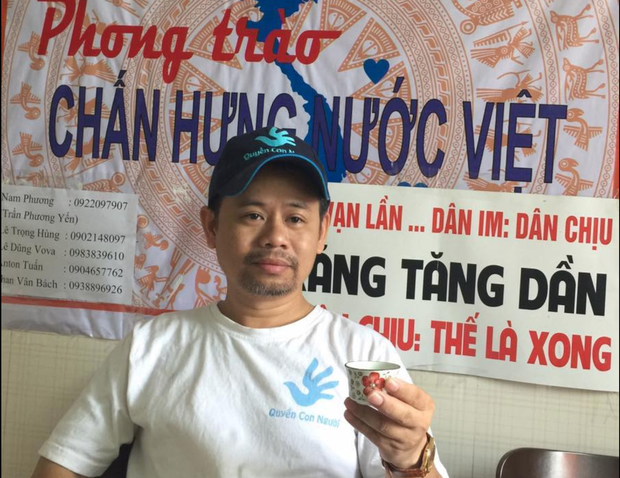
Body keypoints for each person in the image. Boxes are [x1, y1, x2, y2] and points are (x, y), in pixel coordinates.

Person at [32, 126, 449, 478]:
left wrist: (412, 458)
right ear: (212, 227)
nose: (275, 236)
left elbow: (411, 463)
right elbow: (62, 465)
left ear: (322, 232)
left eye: (296, 218)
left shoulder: (365, 357)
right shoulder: (151, 346)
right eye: (253, 215)